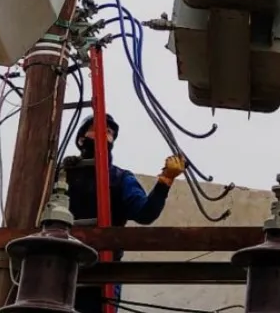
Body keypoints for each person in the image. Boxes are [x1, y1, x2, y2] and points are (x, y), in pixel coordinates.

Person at [61, 114, 186, 312]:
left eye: (109, 131)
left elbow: (145, 213)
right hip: (61, 266)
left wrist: (165, 180)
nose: (105, 133)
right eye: (97, 128)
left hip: (103, 271)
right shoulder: (62, 174)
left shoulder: (120, 179)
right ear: (81, 139)